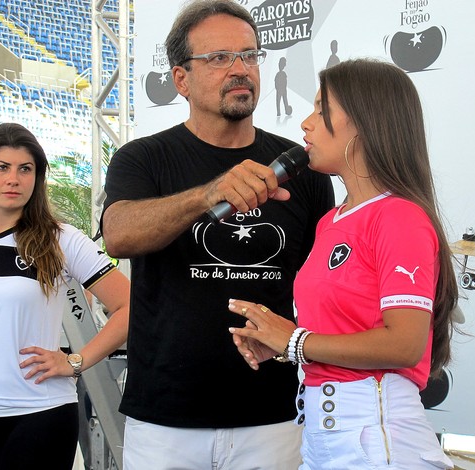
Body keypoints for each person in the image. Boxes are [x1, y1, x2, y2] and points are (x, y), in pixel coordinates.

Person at [100, 1, 334, 469]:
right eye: (219, 58)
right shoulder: (143, 158)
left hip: (275, 416)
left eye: (249, 56)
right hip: (166, 420)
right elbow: (119, 235)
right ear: (180, 79)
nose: (240, 70)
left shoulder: (300, 167)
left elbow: (324, 282)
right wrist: (206, 195)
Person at [228, 58, 458, 469]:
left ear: (364, 122)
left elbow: (405, 344)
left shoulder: (399, 216)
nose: (306, 123)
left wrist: (294, 341)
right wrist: (281, 346)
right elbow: (343, 331)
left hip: (376, 438)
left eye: (321, 109)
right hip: (322, 434)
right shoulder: (330, 220)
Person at [0, 123, 130, 470]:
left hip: (39, 414)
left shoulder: (60, 239)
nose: (14, 179)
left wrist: (75, 361)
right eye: (1, 167)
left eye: (25, 169)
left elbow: (131, 306)